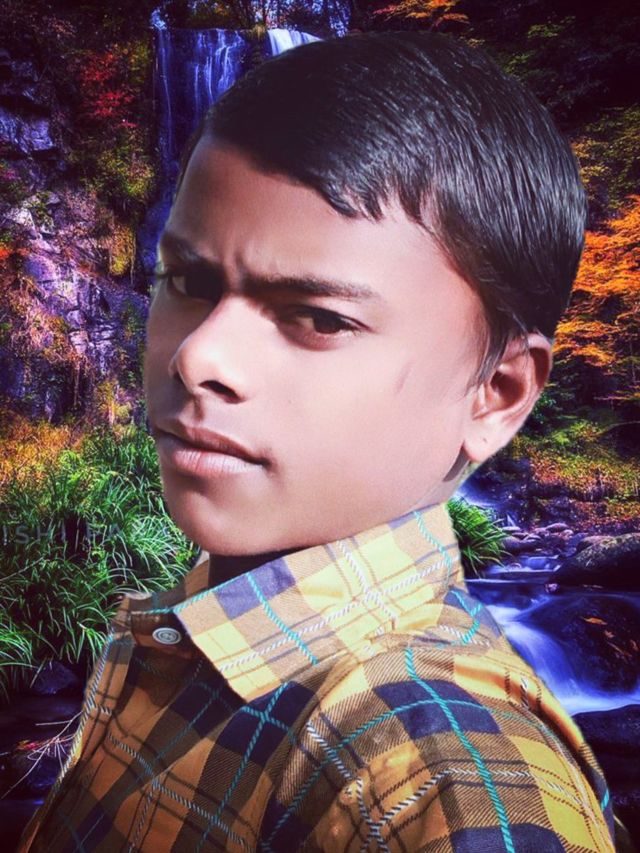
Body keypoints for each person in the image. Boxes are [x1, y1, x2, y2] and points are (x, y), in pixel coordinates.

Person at [18, 30, 619, 852]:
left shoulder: (437, 775)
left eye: (321, 319)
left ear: (497, 393)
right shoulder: (202, 623)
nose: (199, 356)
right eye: (189, 282)